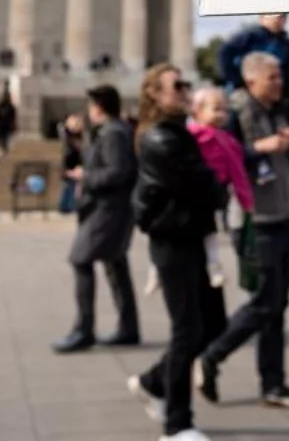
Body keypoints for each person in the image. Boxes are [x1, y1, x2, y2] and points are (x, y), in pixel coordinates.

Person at [195, 52, 289, 410]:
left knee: (277, 306)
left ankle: (274, 385)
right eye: (272, 77)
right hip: (254, 222)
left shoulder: (278, 111)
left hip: (283, 215)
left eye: (279, 76)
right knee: (265, 303)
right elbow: (223, 158)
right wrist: (260, 147)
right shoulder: (234, 115)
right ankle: (212, 356)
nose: (280, 83)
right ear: (251, 81)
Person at [127, 64, 227, 441]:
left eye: (187, 84)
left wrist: (213, 187)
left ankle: (154, 382)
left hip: (191, 235)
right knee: (187, 331)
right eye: (177, 86)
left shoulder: (177, 133)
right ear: (154, 93)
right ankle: (177, 425)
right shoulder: (159, 139)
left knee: (214, 324)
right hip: (173, 241)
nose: (187, 90)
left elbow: (206, 185)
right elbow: (205, 187)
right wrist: (216, 188)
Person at [53, 85, 140, 353]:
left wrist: (85, 177)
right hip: (107, 208)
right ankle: (128, 327)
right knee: (116, 264)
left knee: (81, 260)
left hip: (108, 209)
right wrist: (73, 136)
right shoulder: (110, 132)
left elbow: (117, 172)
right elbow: (92, 157)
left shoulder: (114, 133)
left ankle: (84, 328)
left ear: (98, 107)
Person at [144, 87, 255, 296]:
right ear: (197, 111)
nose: (222, 114)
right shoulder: (186, 135)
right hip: (185, 198)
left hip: (210, 195)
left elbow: (237, 171)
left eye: (224, 110)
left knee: (210, 235)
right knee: (162, 242)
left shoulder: (226, 139)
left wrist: (245, 199)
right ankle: (155, 273)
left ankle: (214, 268)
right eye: (216, 109)